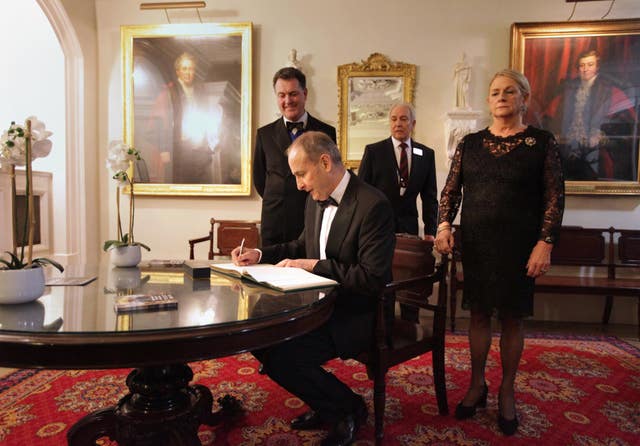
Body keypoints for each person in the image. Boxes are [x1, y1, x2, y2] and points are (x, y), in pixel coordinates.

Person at [234, 131, 395, 445]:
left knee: (284, 357)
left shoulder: (373, 205)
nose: (299, 185)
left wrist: (312, 266)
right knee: (257, 336)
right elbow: (301, 245)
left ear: (324, 163)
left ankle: (347, 410)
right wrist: (260, 254)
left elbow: (371, 279)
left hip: (358, 312)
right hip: (317, 307)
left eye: (301, 174)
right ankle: (327, 403)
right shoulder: (314, 199)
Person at [435, 69, 564, 436]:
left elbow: (555, 196)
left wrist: (546, 242)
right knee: (477, 315)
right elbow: (450, 192)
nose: (501, 97)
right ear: (488, 100)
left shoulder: (541, 143)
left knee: (512, 318)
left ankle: (507, 389)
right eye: (495, 92)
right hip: (477, 243)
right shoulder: (471, 143)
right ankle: (477, 385)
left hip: (521, 246)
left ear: (524, 98)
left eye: (510, 91)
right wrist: (444, 226)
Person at [253, 67, 337, 247]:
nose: (287, 100)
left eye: (293, 94)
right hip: (275, 224)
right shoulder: (264, 134)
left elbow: (331, 174)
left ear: (305, 94)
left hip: (313, 220)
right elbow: (260, 181)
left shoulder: (327, 132)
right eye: (281, 95)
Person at [543, 49, 637, 180]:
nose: (585, 69)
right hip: (567, 149)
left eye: (590, 65)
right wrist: (556, 133)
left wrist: (603, 135)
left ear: (597, 67)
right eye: (582, 65)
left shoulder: (610, 90)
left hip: (597, 153)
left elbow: (626, 123)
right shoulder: (568, 89)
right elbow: (550, 116)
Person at [358, 102, 438, 238]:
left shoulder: (426, 154)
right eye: (394, 119)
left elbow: (430, 197)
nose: (398, 124)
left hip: (410, 229)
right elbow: (361, 193)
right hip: (377, 227)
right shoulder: (374, 151)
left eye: (403, 119)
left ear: (413, 124)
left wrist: (430, 231)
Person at [144, 52, 225, 184]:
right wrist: (164, 148)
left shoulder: (200, 91)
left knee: (200, 184)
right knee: (182, 183)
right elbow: (158, 123)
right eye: (184, 68)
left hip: (199, 147)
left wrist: (209, 142)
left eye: (191, 69)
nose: (188, 72)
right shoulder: (170, 93)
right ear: (178, 72)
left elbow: (206, 118)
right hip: (179, 149)